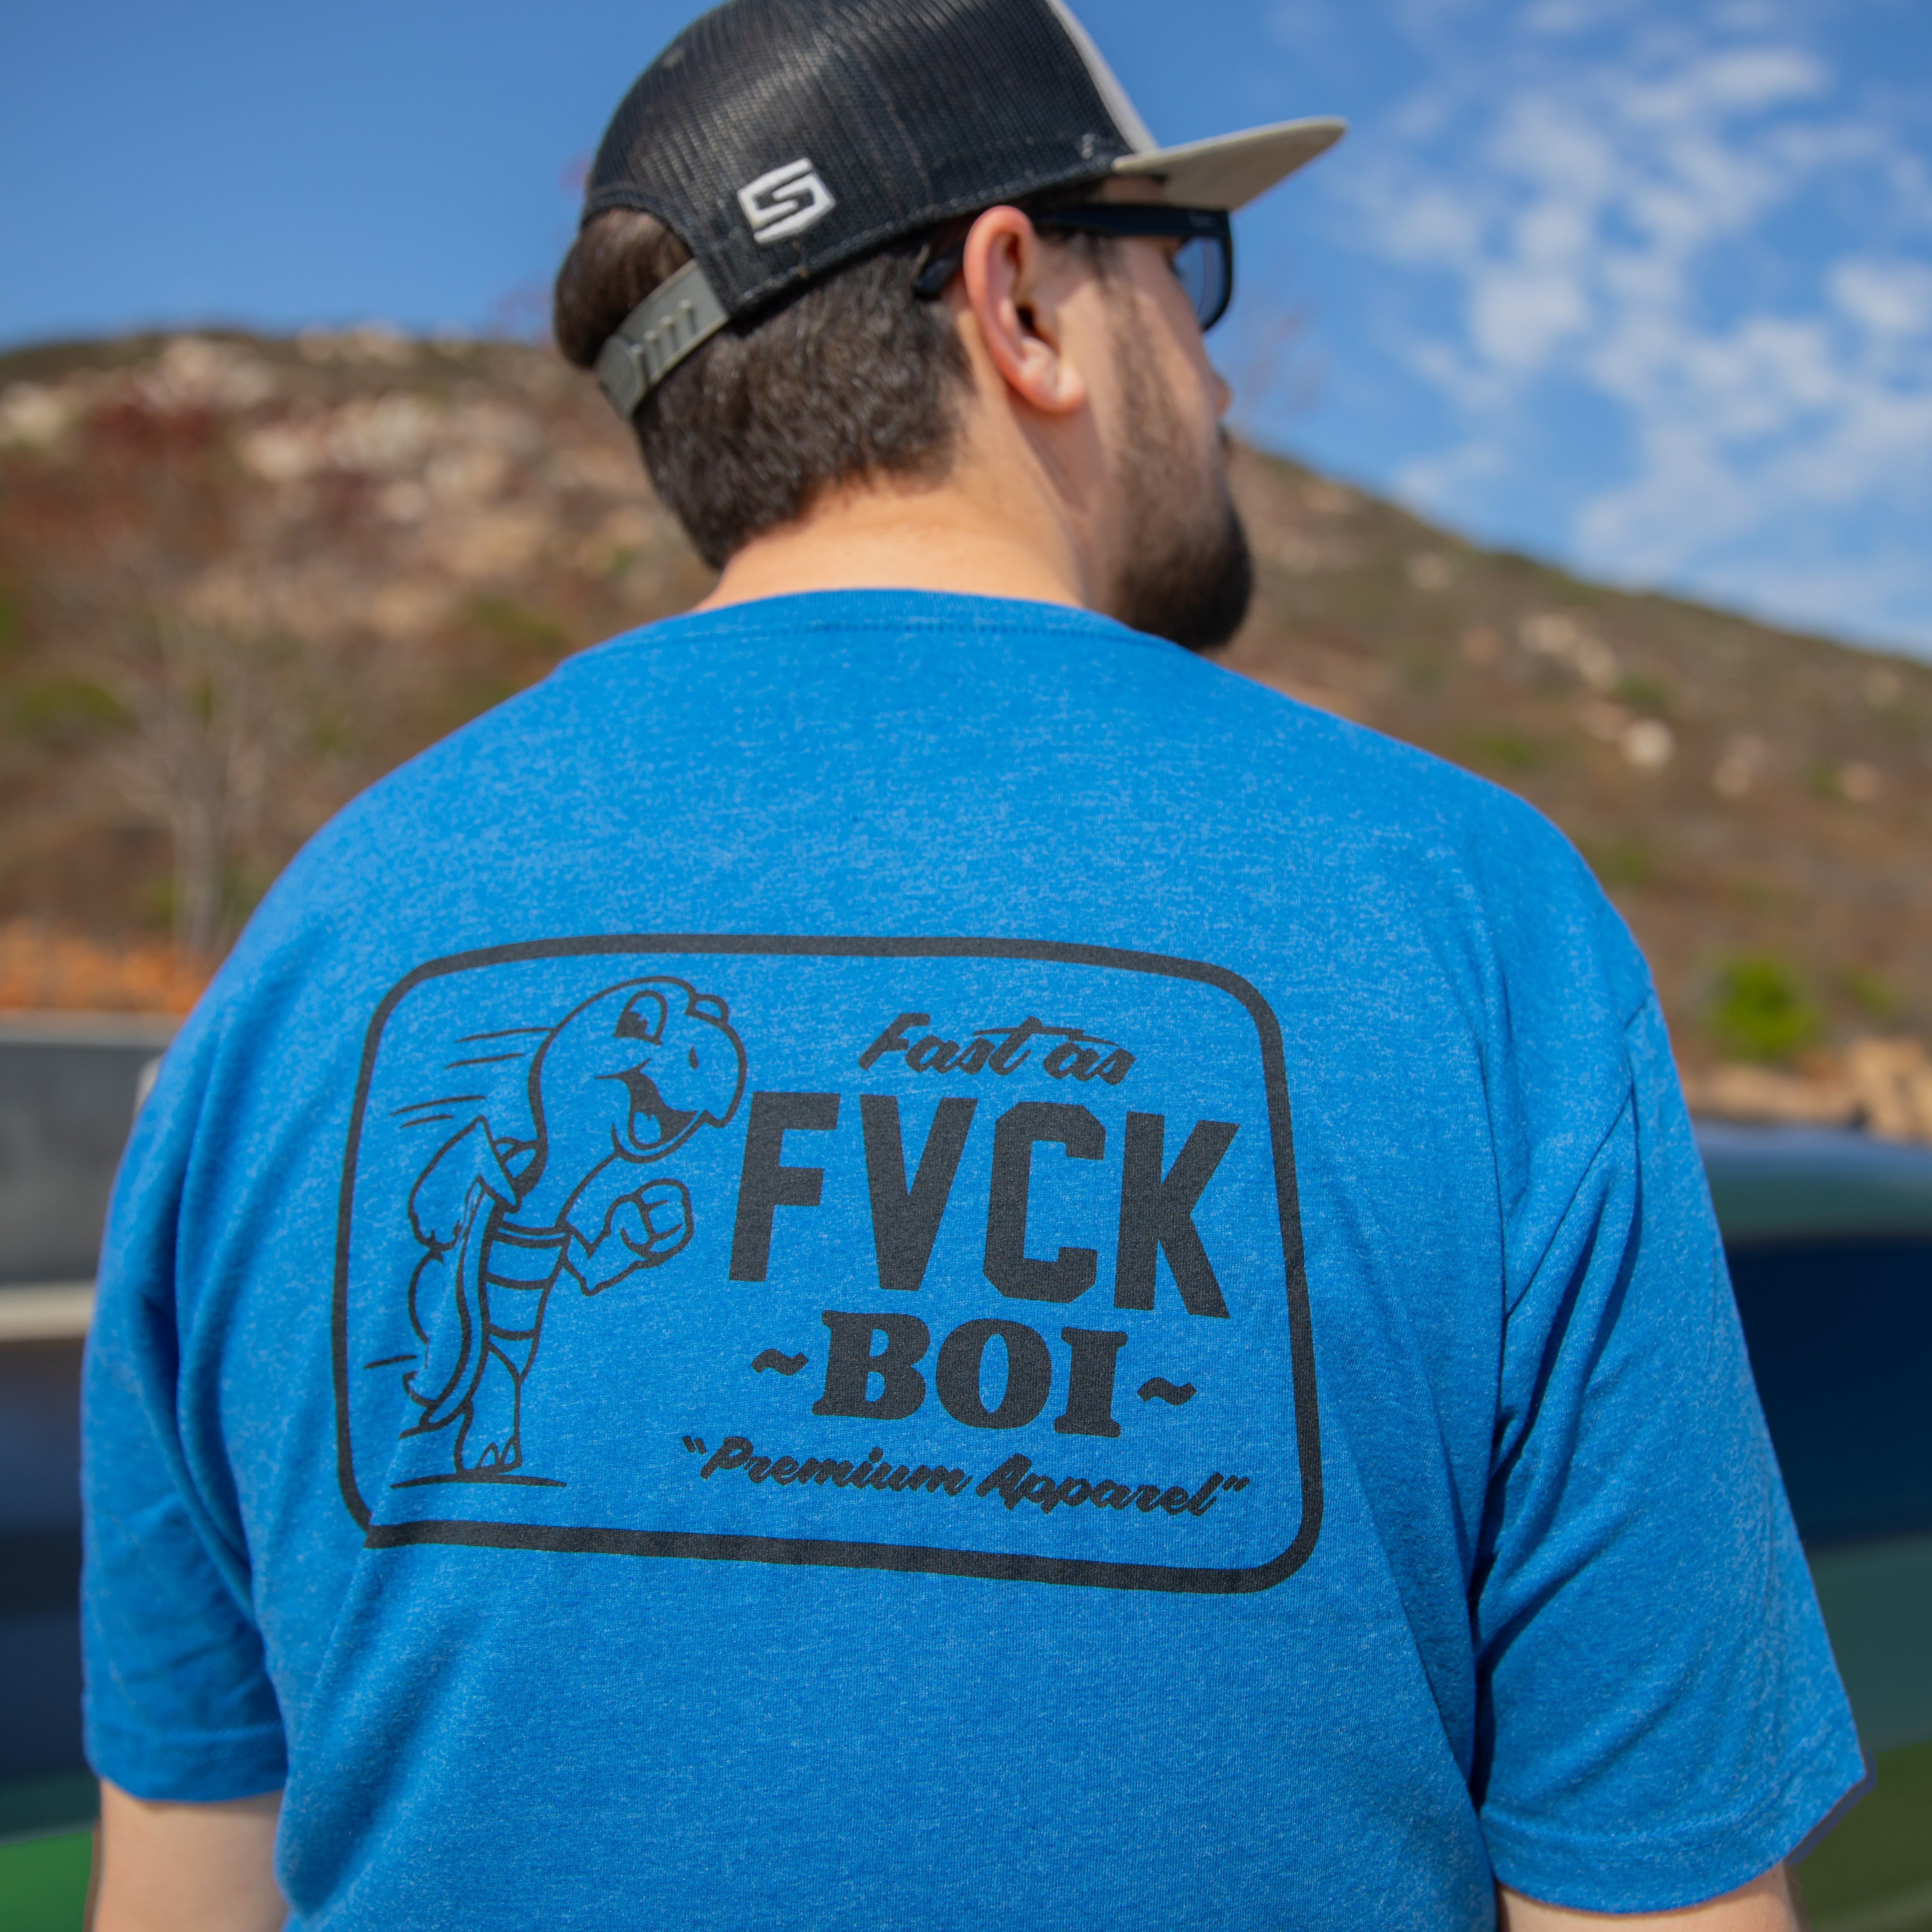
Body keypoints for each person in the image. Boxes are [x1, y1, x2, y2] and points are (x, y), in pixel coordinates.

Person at [82, 2, 1863, 1927]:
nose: (1221, 371)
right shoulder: (1465, 911)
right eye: (1183, 266)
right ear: (1019, 304)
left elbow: (180, 1893)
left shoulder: (293, 970)